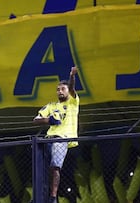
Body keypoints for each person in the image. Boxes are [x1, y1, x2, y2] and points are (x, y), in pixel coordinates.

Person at [32, 66, 79, 203]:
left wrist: (72, 76)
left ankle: (53, 196)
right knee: (43, 170)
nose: (60, 91)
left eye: (62, 89)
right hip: (47, 140)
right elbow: (35, 120)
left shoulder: (73, 103)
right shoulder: (51, 106)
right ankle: (42, 197)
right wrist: (48, 120)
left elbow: (72, 88)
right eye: (58, 89)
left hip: (62, 138)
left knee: (55, 166)